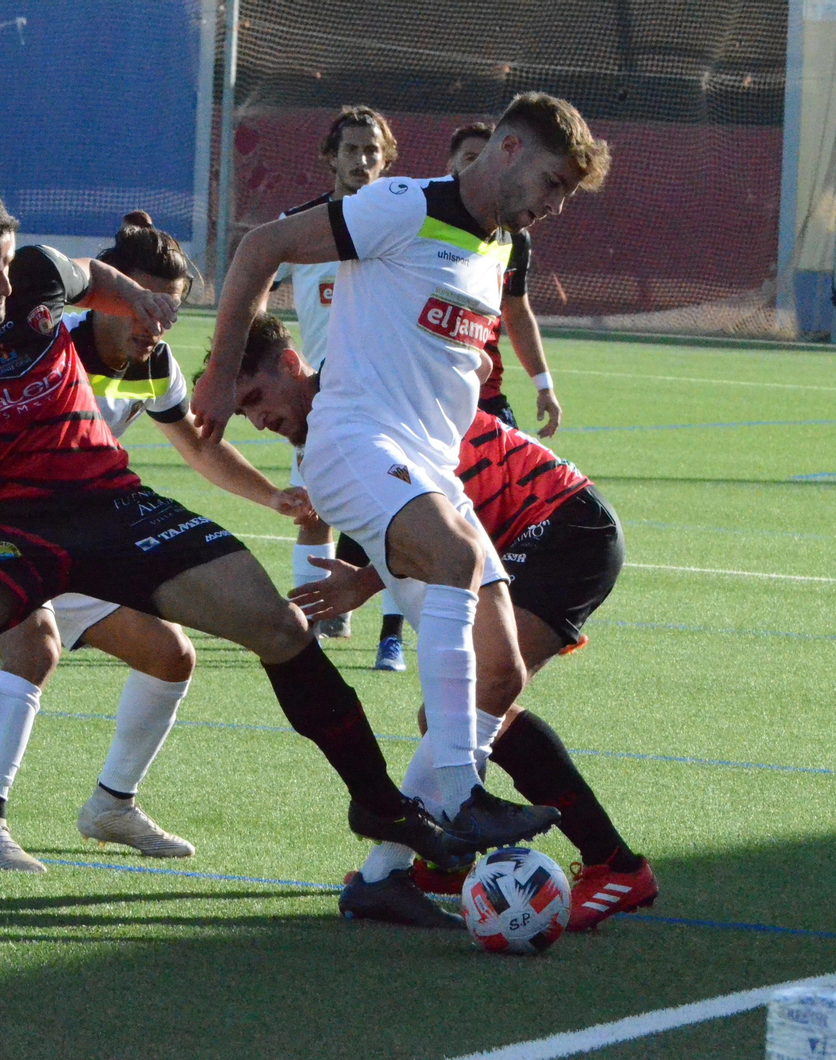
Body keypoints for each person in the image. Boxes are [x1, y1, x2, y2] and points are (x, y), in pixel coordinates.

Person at [0, 184, 475, 896]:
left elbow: (87, 274)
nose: (3, 288)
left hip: (110, 505)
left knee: (277, 625)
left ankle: (379, 805)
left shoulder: (37, 275)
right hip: (9, 526)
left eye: (8, 267)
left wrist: (136, 295)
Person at [195, 92, 611, 923]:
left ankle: (384, 879)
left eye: (565, 193)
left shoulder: (500, 248)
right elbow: (263, 245)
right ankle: (457, 795)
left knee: (499, 671)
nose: (554, 203)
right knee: (456, 559)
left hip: (428, 469)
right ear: (509, 148)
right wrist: (216, 369)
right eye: (553, 182)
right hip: (354, 442)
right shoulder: (404, 204)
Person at [230, 314, 657, 930]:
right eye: (244, 412)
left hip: (561, 525)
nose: (259, 420)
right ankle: (414, 861)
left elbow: (434, 518)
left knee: (481, 697)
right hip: (519, 530)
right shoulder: (340, 418)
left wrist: (367, 578)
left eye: (255, 398)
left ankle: (613, 866)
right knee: (462, 712)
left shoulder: (353, 404)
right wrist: (364, 577)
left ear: (292, 365)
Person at [0, 212, 312, 870]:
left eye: (165, 312)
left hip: (74, 531)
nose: (151, 324)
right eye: (139, 305)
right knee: (33, 647)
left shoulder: (152, 365)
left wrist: (274, 497)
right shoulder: (46, 340)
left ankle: (112, 805)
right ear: (102, 292)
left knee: (170, 656)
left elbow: (200, 450)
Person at [269, 106, 409, 672]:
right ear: (332, 157)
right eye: (351, 150)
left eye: (372, 151)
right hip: (318, 399)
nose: (362, 160)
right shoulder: (302, 224)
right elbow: (257, 272)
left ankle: (392, 635)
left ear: (386, 158)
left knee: (399, 508)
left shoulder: (403, 223)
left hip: (388, 392)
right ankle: (315, 616)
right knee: (311, 510)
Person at [446, 122, 562, 438]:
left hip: (487, 398)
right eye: (470, 158)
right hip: (432, 396)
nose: (479, 168)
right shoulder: (422, 218)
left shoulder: (514, 238)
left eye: (487, 159)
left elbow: (517, 312)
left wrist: (543, 385)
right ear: (451, 165)